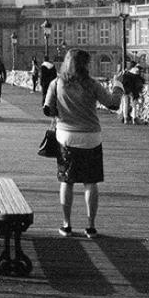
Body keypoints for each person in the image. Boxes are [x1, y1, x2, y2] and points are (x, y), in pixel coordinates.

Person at [43, 49, 123, 239]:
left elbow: (47, 110)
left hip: (66, 137)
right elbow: (113, 104)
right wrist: (118, 85)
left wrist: (60, 109)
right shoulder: (92, 85)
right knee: (90, 182)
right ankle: (91, 226)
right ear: (85, 65)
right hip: (91, 138)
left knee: (67, 182)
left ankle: (66, 224)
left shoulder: (57, 83)